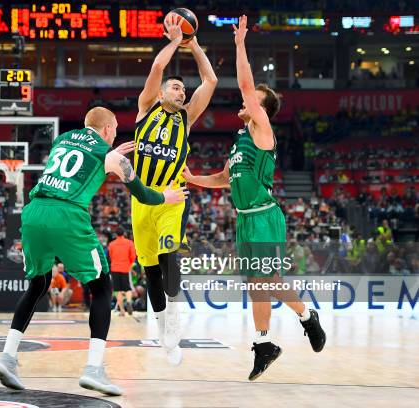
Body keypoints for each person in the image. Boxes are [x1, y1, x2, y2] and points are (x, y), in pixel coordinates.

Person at [0, 107, 187, 396]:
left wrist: (111, 157)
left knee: (39, 284)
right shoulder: (113, 157)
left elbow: (88, 156)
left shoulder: (64, 139)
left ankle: (7, 357)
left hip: (34, 213)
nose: (117, 132)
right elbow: (143, 194)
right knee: (101, 288)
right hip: (67, 215)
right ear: (107, 129)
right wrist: (166, 196)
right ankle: (94, 369)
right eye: (116, 127)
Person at [182, 15, 326, 381]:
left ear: (261, 107)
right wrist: (193, 178)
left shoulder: (262, 129)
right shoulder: (239, 142)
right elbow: (223, 178)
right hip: (245, 217)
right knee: (257, 284)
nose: (243, 102)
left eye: (252, 100)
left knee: (268, 281)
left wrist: (240, 43)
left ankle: (304, 318)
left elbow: (246, 83)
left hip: (263, 215)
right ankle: (266, 343)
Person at [132, 14, 217, 365]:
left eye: (183, 88)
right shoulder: (145, 108)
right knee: (150, 270)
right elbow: (156, 67)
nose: (181, 91)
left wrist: (193, 44)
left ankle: (175, 316)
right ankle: (165, 325)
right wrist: (173, 40)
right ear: (162, 93)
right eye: (175, 87)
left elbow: (210, 80)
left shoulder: (186, 118)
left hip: (172, 197)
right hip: (142, 199)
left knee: (170, 257)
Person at [107, 227, 136, 316]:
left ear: (116, 234)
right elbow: (133, 256)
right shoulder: (129, 243)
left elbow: (110, 256)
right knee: (127, 288)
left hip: (115, 268)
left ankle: (122, 311)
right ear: (124, 233)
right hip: (125, 268)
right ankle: (128, 301)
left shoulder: (111, 244)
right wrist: (129, 264)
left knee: (117, 290)